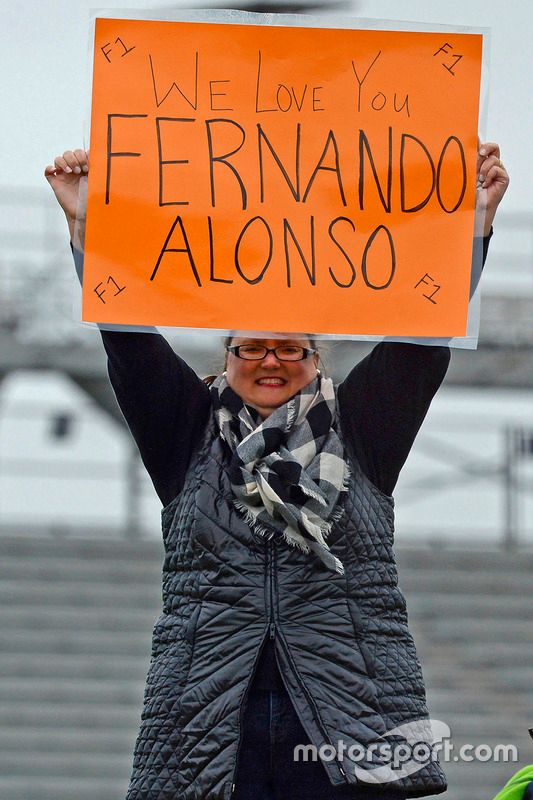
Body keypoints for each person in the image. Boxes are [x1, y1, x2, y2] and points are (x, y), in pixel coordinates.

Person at [45, 142, 508, 800]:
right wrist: (88, 226)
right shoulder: (185, 431)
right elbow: (128, 339)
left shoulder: (363, 429)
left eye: (290, 347)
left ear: (316, 360)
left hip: (348, 721)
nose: (270, 360)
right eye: (251, 347)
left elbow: (421, 343)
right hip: (207, 724)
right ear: (226, 357)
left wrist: (472, 226)